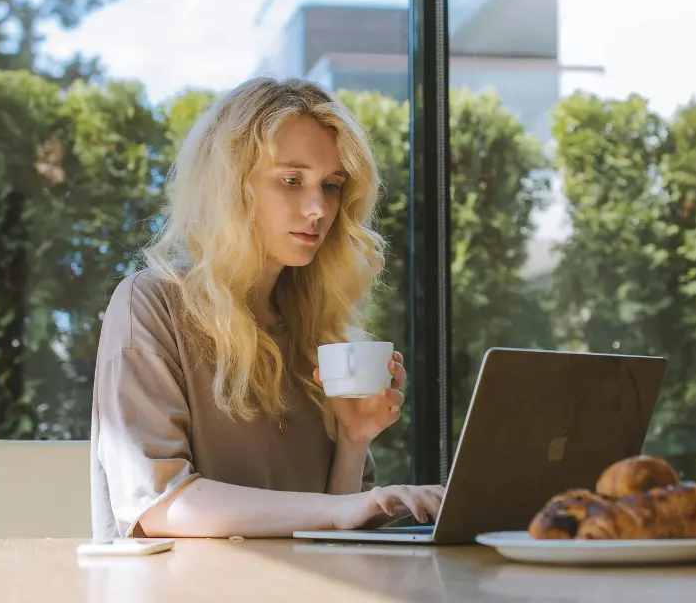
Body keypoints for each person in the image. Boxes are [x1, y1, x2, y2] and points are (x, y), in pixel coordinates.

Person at [90, 77, 445, 540]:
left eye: (332, 186)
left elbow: (329, 529)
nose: (318, 208)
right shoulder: (152, 304)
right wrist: (344, 511)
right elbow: (158, 507)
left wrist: (354, 440)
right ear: (231, 187)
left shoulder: (319, 329)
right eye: (292, 181)